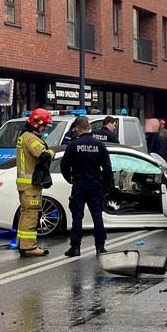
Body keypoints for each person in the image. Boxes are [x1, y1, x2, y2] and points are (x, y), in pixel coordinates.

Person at [60, 116, 113, 257]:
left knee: (77, 217)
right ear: (89, 127)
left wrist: (70, 179)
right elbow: (107, 167)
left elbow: (64, 166)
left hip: (79, 184)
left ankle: (75, 248)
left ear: (77, 129)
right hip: (95, 184)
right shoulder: (99, 145)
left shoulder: (73, 145)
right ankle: (100, 247)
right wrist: (109, 186)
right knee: (97, 217)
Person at [16, 108, 55, 257]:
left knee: (25, 213)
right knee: (31, 214)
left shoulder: (25, 136)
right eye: (45, 125)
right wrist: (52, 152)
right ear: (37, 122)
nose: (45, 128)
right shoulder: (31, 138)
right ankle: (29, 246)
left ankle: (22, 243)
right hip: (30, 185)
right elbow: (43, 155)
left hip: (26, 184)